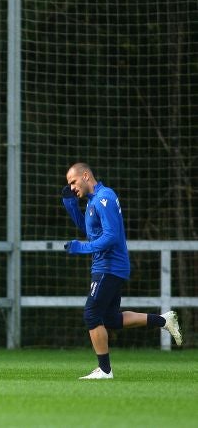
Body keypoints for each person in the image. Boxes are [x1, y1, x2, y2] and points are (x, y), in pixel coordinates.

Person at [62, 162, 182, 379]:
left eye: (73, 182)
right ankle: (164, 321)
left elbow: (111, 236)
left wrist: (80, 248)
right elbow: (91, 231)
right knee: (110, 320)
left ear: (86, 175)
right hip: (106, 266)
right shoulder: (92, 202)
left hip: (110, 266)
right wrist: (71, 206)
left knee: (91, 314)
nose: (71, 187)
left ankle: (105, 370)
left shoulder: (103, 198)